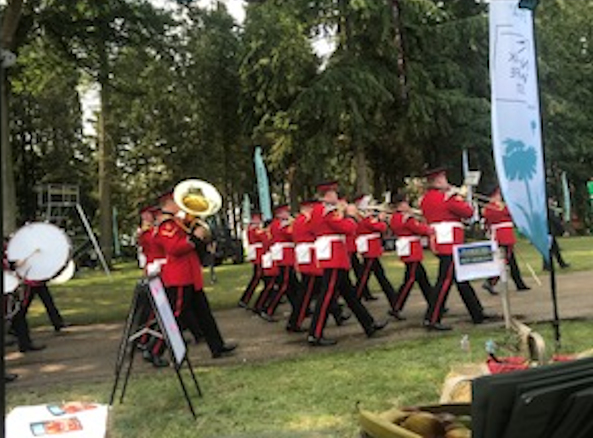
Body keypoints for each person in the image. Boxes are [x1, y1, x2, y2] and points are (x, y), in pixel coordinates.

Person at [153, 189, 237, 362]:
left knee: (204, 313)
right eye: (176, 201)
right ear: (168, 203)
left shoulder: (178, 222)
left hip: (190, 275)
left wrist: (199, 233)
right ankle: (154, 349)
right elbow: (174, 249)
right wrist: (193, 238)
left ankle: (217, 346)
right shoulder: (166, 225)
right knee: (175, 315)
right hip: (179, 276)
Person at [307, 180, 387, 346]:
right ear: (327, 195)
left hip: (333, 254)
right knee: (327, 296)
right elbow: (347, 228)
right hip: (333, 255)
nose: (336, 196)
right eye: (334, 193)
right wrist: (350, 215)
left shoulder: (318, 210)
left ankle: (368, 324)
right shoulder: (328, 211)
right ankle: (315, 333)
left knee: (350, 295)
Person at [420, 167, 491, 331]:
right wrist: (459, 197)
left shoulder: (426, 199)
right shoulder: (448, 198)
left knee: (462, 280)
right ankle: (432, 317)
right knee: (444, 282)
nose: (446, 181)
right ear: (438, 181)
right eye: (443, 178)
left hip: (440, 240)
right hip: (450, 242)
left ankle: (477, 312)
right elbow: (468, 212)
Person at [389, 193, 434, 320]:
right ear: (401, 205)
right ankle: (396, 305)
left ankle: (433, 302)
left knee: (423, 280)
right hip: (412, 249)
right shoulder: (406, 218)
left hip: (406, 248)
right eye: (406, 203)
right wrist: (426, 225)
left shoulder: (395, 217)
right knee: (410, 279)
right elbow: (420, 229)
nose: (408, 206)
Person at [481, 185, 530, 293]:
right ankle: (490, 281)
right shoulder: (494, 208)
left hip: (505, 235)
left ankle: (519, 283)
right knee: (504, 260)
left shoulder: (496, 207)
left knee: (512, 261)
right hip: (503, 236)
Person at [353, 204, 399, 312]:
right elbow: (379, 227)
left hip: (372, 249)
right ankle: (355, 299)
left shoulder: (367, 219)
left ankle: (393, 298)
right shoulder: (366, 219)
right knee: (364, 277)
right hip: (370, 250)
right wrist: (381, 219)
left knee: (379, 276)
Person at [261, 204, 300, 319]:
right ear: (279, 214)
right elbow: (291, 234)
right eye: (285, 212)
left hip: (285, 255)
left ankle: (298, 308)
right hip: (285, 257)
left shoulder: (276, 224)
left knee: (293, 286)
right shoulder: (280, 225)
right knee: (284, 285)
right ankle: (269, 309)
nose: (287, 214)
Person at [238, 211, 265, 309]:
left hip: (258, 253)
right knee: (257, 278)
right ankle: (245, 299)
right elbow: (263, 237)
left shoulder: (252, 228)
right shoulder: (255, 229)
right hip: (258, 254)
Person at [544, 198, 570, 271]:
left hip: (546, 232)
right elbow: (556, 222)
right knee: (550, 249)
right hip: (549, 232)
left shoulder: (541, 211)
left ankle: (561, 263)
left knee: (554, 248)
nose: (552, 201)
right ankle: (548, 265)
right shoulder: (549, 211)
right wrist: (563, 231)